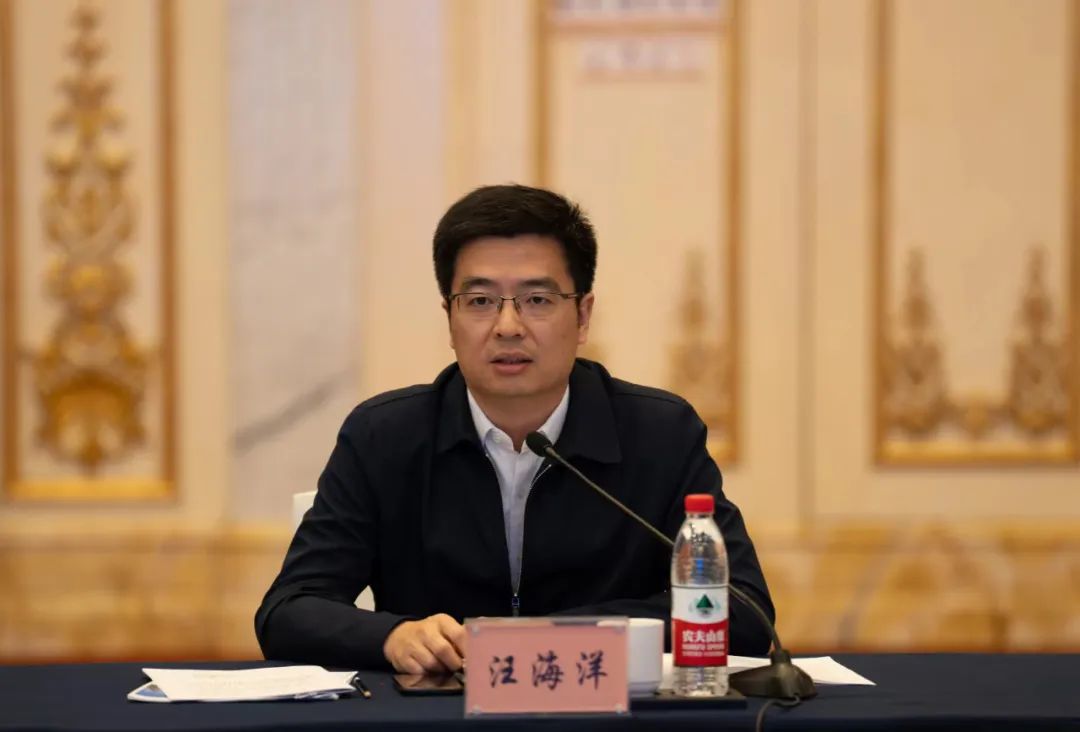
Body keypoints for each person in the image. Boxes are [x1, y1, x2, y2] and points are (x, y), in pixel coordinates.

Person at [255, 184, 773, 674]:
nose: (507, 327)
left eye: (537, 300)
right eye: (480, 301)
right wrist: (392, 637)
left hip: (606, 716)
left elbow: (742, 611)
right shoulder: (385, 437)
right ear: (450, 317)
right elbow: (289, 610)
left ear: (583, 316)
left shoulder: (659, 434)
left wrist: (541, 638)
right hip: (436, 718)